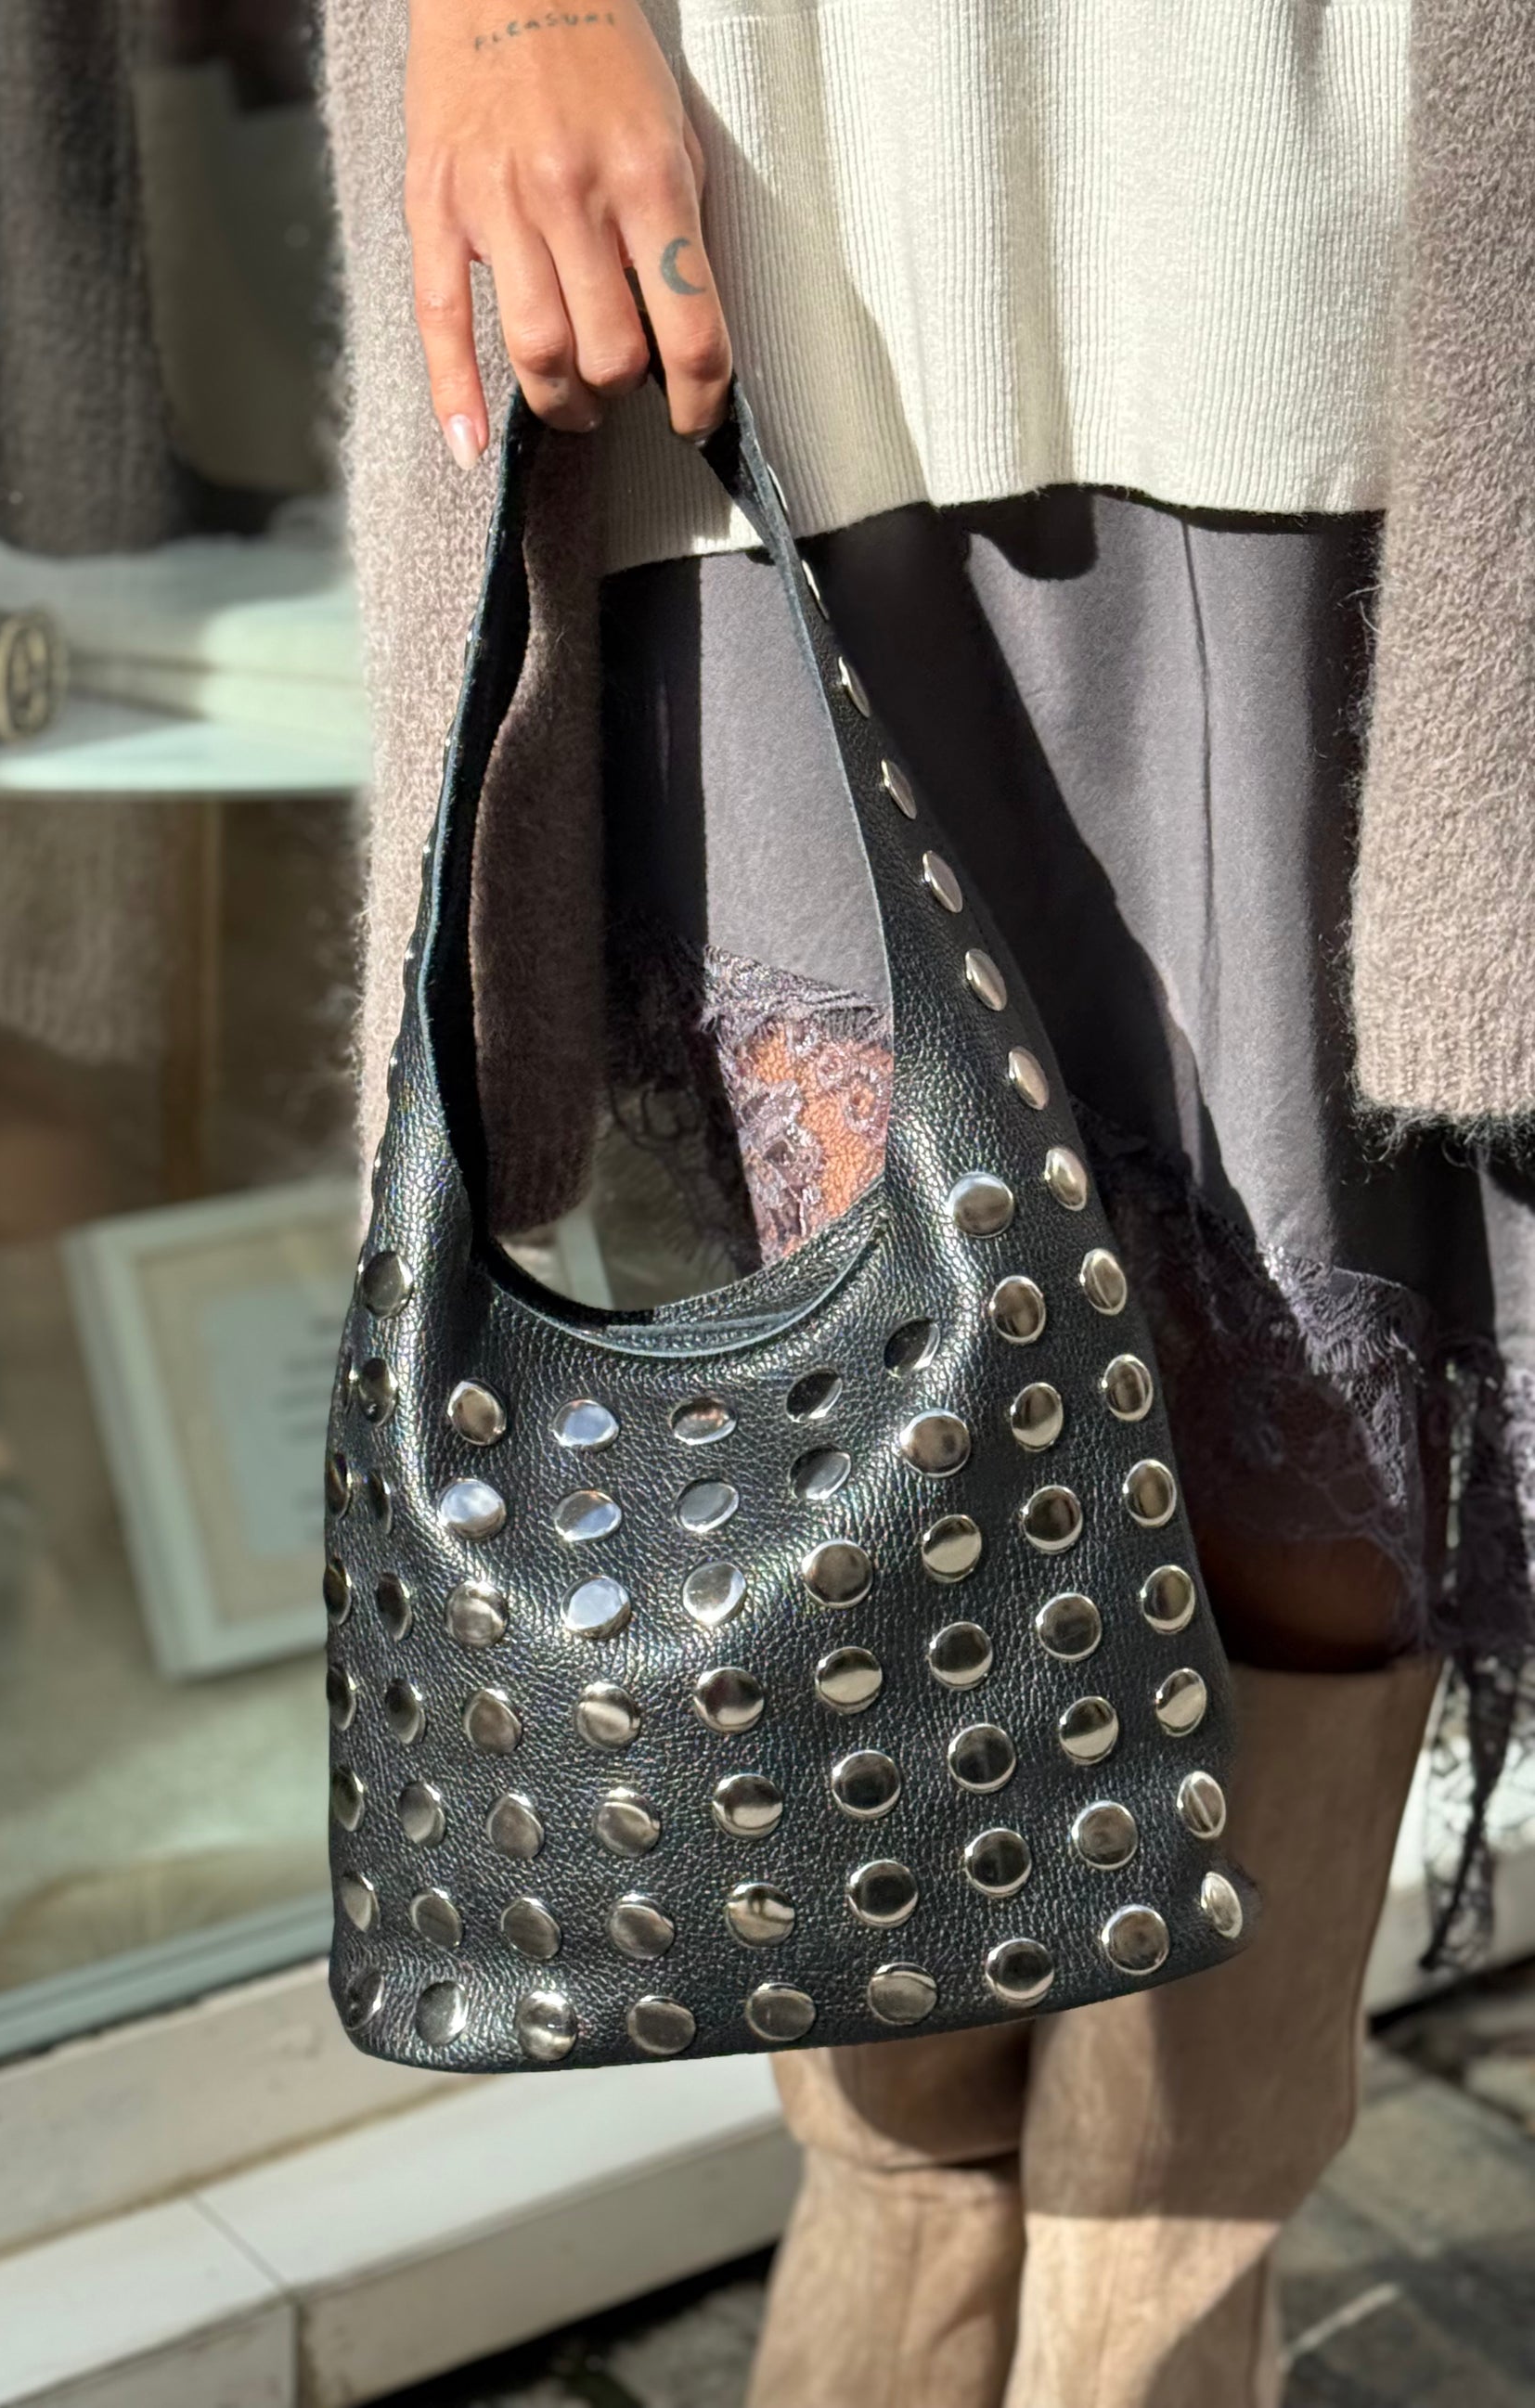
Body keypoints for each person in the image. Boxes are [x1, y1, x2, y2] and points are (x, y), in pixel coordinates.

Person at [331, 4, 1533, 2400]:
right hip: (769, 213)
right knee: (853, 1483)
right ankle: (914, 2254)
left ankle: (1141, 2311)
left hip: (1297, 213)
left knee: (1298, 1440)